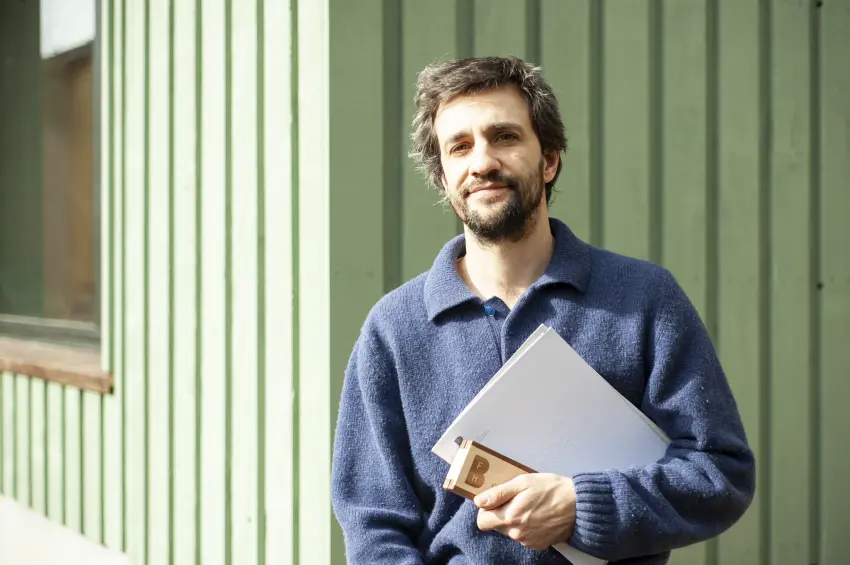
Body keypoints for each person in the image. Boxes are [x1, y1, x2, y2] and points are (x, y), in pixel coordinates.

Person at [330, 56, 755, 565]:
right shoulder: (393, 329)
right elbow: (373, 523)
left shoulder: (645, 299)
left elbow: (719, 472)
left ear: (549, 159)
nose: (482, 161)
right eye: (459, 146)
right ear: (443, 177)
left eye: (504, 137)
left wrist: (582, 506)